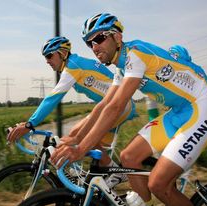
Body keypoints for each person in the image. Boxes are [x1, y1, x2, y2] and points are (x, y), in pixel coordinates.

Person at [51, 13, 207, 206]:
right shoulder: (120, 68)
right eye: (89, 43)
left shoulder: (135, 54)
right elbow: (105, 105)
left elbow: (116, 109)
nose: (94, 47)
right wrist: (76, 138)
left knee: (158, 184)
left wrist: (80, 150)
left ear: (117, 37)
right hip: (178, 112)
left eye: (99, 38)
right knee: (128, 156)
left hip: (201, 108)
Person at [7, 36, 136, 177]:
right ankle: (107, 178)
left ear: (62, 53)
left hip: (119, 105)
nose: (47, 61)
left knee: (77, 135)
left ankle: (115, 174)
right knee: (92, 147)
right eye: (45, 57)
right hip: (115, 105)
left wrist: (30, 124)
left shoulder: (73, 66)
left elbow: (53, 98)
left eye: (50, 56)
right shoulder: (74, 64)